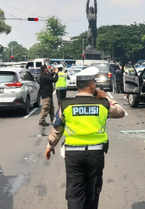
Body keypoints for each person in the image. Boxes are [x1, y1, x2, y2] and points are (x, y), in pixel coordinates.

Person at [45, 66, 125, 209]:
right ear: (93, 85)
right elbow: (121, 113)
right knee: (93, 190)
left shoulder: (65, 105)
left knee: (74, 191)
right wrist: (105, 96)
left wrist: (50, 146)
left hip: (73, 154)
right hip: (96, 154)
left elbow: (57, 129)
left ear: (76, 86)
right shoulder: (103, 104)